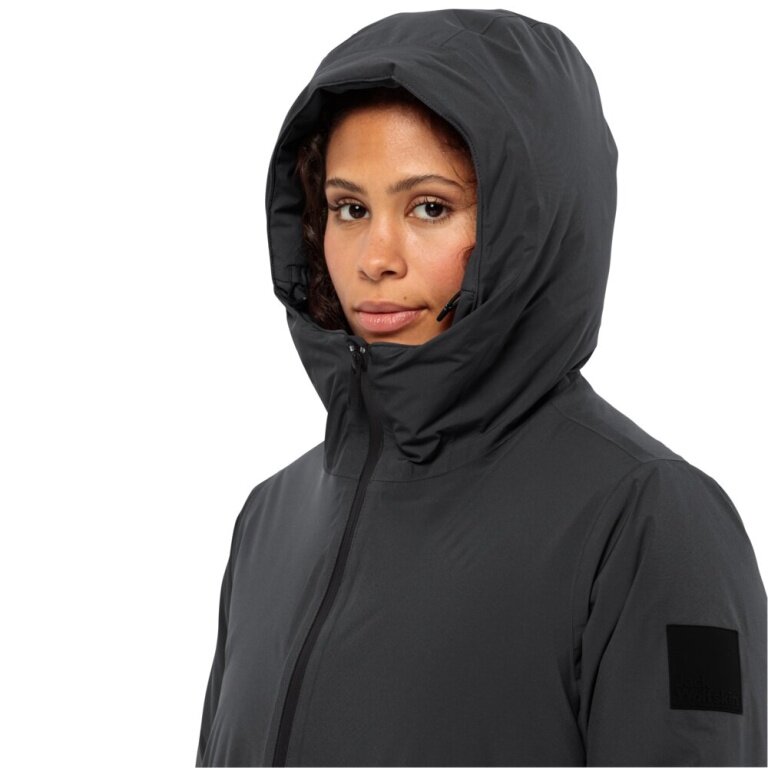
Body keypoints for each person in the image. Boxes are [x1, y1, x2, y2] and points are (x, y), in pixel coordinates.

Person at [195, 9, 767, 767]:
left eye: (429, 207)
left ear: (529, 225)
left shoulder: (652, 521)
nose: (375, 257)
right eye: (349, 208)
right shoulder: (270, 518)